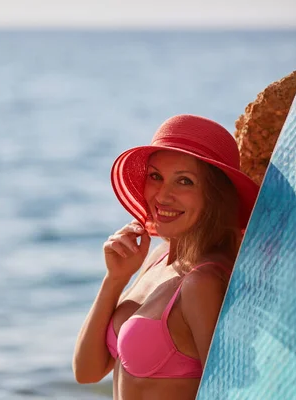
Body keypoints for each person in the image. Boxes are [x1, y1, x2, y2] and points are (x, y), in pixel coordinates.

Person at [73, 114, 259, 399]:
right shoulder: (157, 259)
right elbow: (87, 372)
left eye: (184, 181)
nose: (162, 195)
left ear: (214, 195)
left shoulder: (202, 283)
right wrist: (115, 279)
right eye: (155, 176)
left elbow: (228, 392)